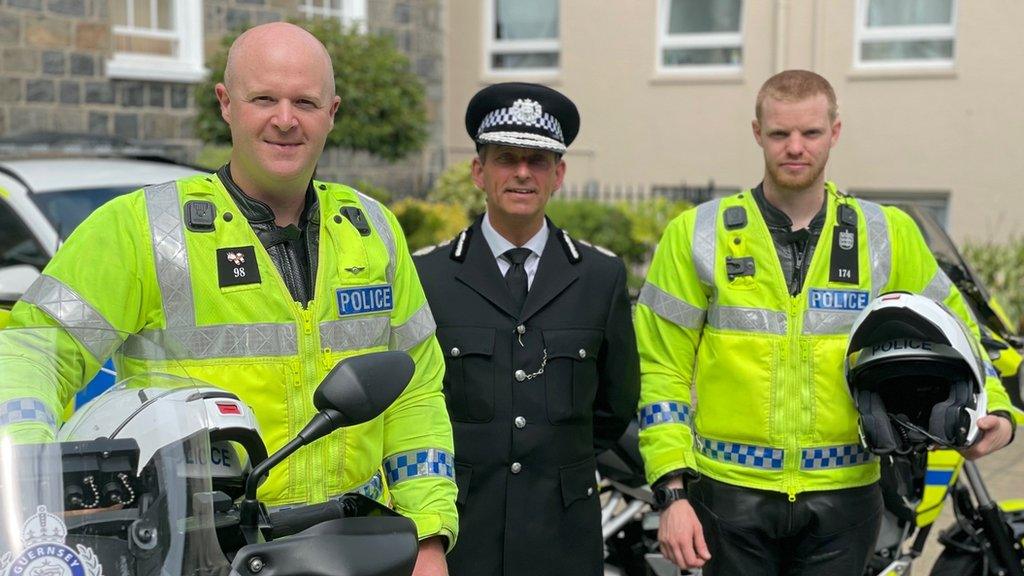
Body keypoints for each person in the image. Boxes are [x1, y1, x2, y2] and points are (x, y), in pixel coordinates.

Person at [0, 22, 456, 575]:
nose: (285, 119)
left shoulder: (373, 230)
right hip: (199, 553)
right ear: (226, 104)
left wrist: (428, 537)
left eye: (305, 102)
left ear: (332, 112)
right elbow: (32, 352)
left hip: (354, 548)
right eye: (264, 98)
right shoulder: (141, 229)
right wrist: (28, 486)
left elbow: (416, 393)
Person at [634, 69, 1017, 575]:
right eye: (779, 134)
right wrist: (673, 493)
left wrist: (1000, 413)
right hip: (727, 499)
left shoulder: (887, 234)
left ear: (834, 132)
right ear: (757, 134)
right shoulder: (695, 235)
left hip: (846, 502)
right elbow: (662, 369)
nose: (795, 147)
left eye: (810, 133)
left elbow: (960, 333)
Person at [413, 82, 640, 576]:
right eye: (505, 158)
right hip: (463, 530)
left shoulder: (600, 277)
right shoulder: (428, 277)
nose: (521, 173)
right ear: (478, 171)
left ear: (558, 174)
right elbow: (414, 407)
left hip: (563, 531)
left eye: (537, 160)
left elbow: (616, 403)